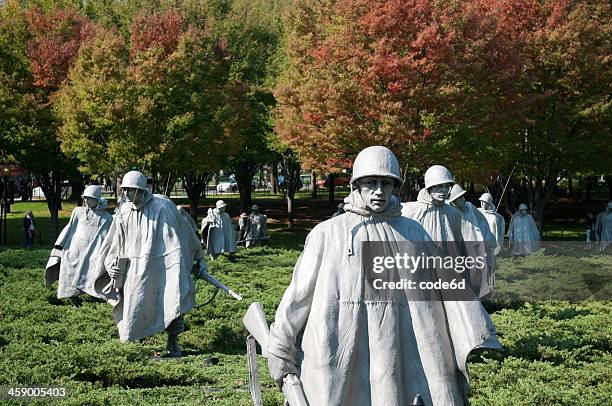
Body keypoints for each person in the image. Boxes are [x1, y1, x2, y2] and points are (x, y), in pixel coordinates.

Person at [267, 146, 499, 406]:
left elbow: (448, 284)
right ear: (357, 185)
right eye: (370, 183)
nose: (378, 191)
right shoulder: (328, 233)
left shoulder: (413, 232)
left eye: (385, 183)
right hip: (343, 346)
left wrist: (474, 324)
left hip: (401, 348)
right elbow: (299, 296)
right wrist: (280, 346)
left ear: (394, 186)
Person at [93, 170, 208, 357]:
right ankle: (136, 344)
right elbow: (113, 242)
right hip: (134, 269)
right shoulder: (123, 212)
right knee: (135, 305)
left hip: (163, 264)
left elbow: (182, 232)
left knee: (172, 300)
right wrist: (110, 264)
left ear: (142, 190)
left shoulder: (162, 207)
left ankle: (173, 343)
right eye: (125, 190)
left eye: (132, 190)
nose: (128, 194)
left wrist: (197, 257)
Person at [45, 185, 112, 299]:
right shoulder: (78, 212)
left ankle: (93, 296)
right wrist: (59, 246)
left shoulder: (107, 218)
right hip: (73, 251)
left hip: (92, 254)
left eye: (89, 198)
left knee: (91, 276)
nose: (86, 201)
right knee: (69, 274)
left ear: (97, 199)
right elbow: (69, 227)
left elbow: (107, 237)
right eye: (85, 198)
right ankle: (70, 297)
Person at [448, 185, 497, 297]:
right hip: (462, 248)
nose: (463, 199)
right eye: (459, 198)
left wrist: (489, 239)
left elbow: (483, 223)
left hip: (476, 245)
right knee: (465, 274)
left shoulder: (470, 207)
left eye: (462, 196)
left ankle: (481, 297)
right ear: (453, 201)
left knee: (479, 272)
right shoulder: (449, 212)